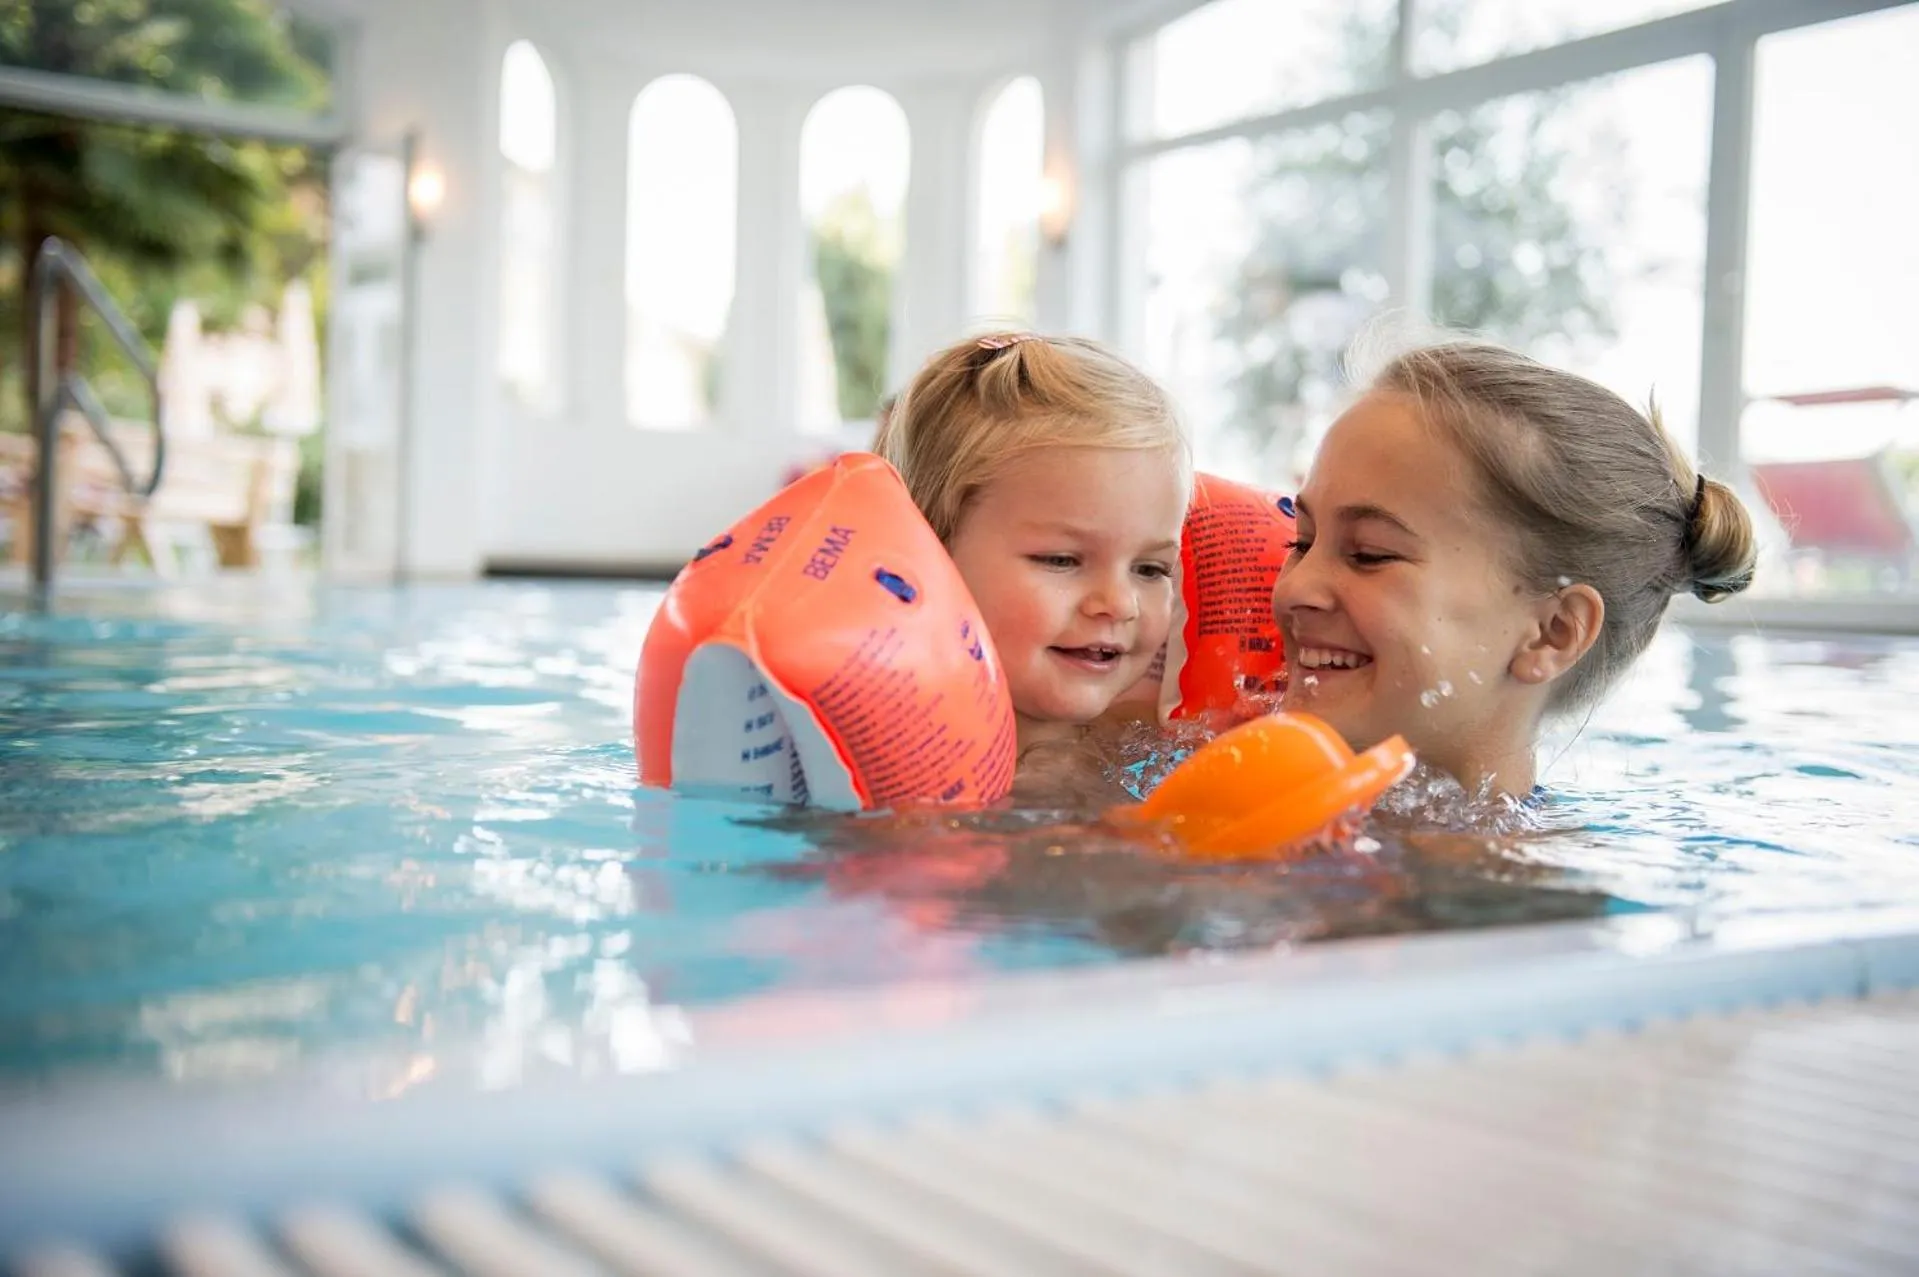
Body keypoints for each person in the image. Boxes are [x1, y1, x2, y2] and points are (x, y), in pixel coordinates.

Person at [1272, 337, 1758, 800]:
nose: (1295, 587)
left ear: (1553, 632)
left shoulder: (1510, 884)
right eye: (1303, 541)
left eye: (1370, 554)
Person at [874, 332, 1191, 789]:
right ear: (928, 551)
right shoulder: (881, 771)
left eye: (1150, 569)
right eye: (1061, 560)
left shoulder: (1150, 749)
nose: (1120, 604)